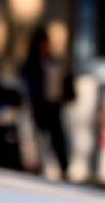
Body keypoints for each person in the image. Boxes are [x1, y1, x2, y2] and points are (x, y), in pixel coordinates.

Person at [18, 23, 71, 181]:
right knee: (38, 139)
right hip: (38, 106)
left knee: (58, 138)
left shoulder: (52, 61)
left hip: (53, 105)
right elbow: (28, 86)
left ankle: (63, 169)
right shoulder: (31, 64)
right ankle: (38, 169)